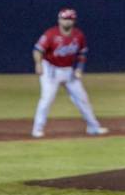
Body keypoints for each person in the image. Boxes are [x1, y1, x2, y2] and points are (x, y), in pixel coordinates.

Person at [31, 8, 108, 138]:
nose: (66, 22)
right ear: (59, 20)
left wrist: (79, 68)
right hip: (50, 69)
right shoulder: (51, 34)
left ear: (74, 21)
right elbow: (37, 50)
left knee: (82, 98)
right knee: (47, 99)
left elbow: (83, 52)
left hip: (68, 70)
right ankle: (37, 129)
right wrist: (38, 64)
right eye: (64, 19)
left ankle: (93, 127)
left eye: (69, 19)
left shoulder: (79, 35)